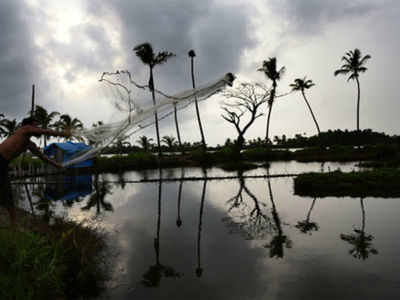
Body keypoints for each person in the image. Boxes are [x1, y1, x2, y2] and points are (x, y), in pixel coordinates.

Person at [0, 116, 71, 225]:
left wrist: (57, 165)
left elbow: (43, 157)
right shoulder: (24, 129)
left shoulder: (29, 144)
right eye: (35, 125)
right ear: (29, 126)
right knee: (6, 192)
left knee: (7, 193)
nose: (37, 128)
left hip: (3, 164)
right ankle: (14, 223)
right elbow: (44, 131)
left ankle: (14, 224)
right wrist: (62, 134)